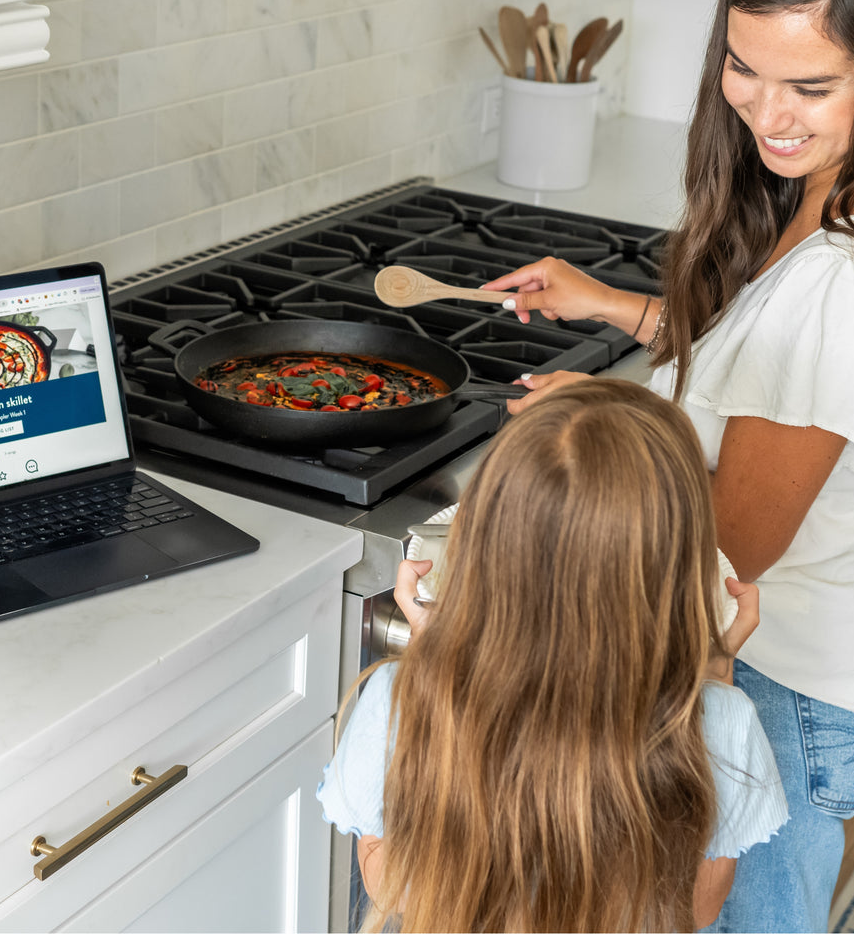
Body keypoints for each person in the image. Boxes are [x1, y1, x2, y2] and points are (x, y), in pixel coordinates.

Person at [483, 0, 854, 932]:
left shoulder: (840, 289)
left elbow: (733, 543)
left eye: (810, 87)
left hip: (782, 684)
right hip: (836, 659)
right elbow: (753, 367)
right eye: (741, 66)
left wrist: (604, 434)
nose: (766, 112)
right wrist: (617, 310)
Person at [318, 378, 788, 933]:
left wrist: (434, 660)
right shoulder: (722, 723)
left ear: (482, 544)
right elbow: (697, 910)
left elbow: (389, 885)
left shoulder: (400, 700)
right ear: (679, 567)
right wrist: (712, 672)